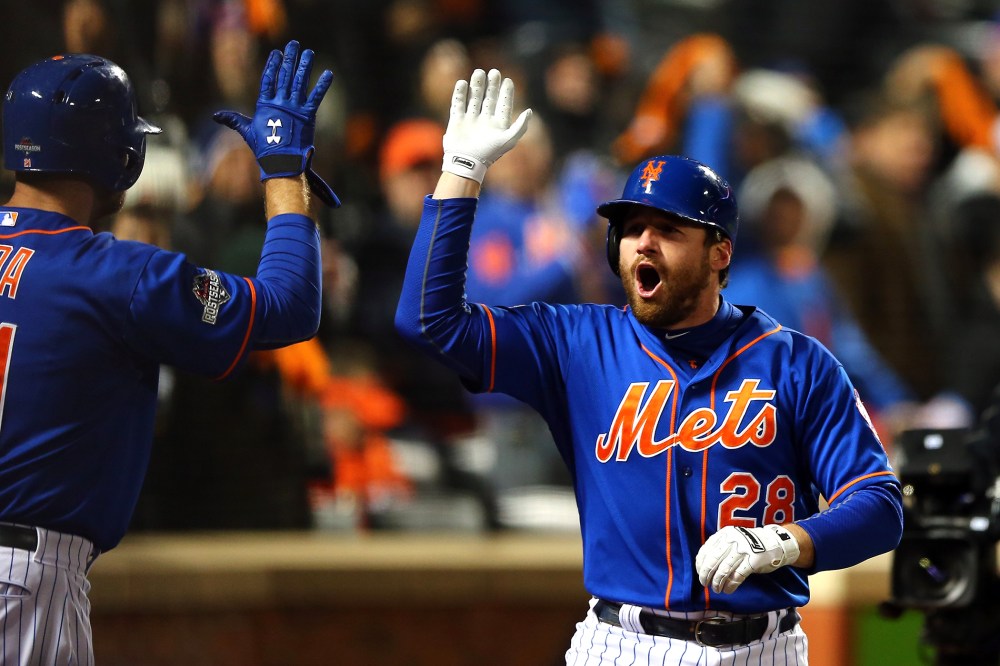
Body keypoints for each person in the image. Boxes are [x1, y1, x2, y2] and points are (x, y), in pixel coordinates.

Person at [394, 68, 903, 664]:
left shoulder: (795, 361)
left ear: (720, 253)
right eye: (631, 228)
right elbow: (428, 321)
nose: (642, 242)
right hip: (621, 644)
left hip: (764, 646)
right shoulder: (575, 342)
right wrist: (461, 173)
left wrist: (784, 542)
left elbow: (879, 505)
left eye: (667, 229)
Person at [0, 39, 337, 664]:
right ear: (120, 157)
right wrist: (285, 172)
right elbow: (289, 304)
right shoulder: (115, 273)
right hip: (22, 577)